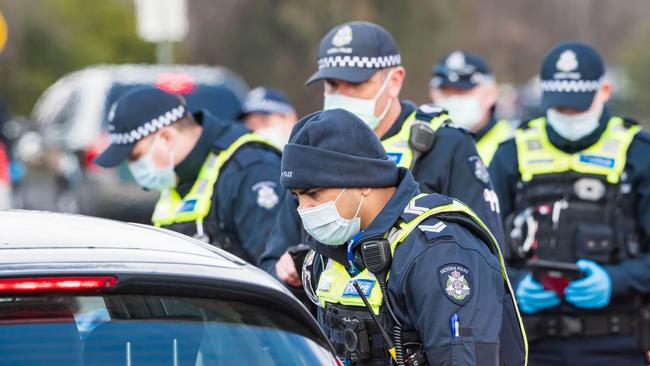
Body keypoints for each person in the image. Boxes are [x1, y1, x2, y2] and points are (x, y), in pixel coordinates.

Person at [259, 21, 504, 291]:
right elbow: (272, 261)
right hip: (331, 321)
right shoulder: (313, 148)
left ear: (395, 80)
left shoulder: (445, 145)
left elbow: (488, 255)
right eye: (331, 84)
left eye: (356, 83)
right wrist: (290, 270)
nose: (341, 94)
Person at [281, 108, 526, 365]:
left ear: (364, 180)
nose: (303, 209)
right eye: (297, 197)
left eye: (314, 194)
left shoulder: (440, 251)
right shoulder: (333, 250)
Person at [489, 41, 650, 365]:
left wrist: (616, 280)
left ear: (604, 90)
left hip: (616, 342)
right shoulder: (510, 156)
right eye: (560, 107)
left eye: (578, 106)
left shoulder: (639, 154)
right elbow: (482, 248)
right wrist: (517, 285)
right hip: (529, 343)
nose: (569, 116)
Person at [95, 86, 283, 262]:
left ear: (166, 138)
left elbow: (275, 269)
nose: (133, 165)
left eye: (135, 156)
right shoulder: (177, 175)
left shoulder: (252, 170)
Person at [429, 50, 514, 165]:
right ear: (432, 94)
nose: (454, 100)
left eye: (463, 91)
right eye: (447, 93)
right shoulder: (421, 143)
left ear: (491, 93)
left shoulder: (513, 144)